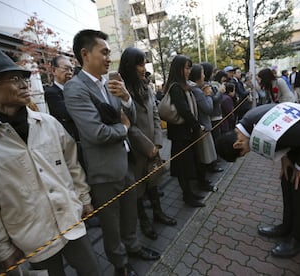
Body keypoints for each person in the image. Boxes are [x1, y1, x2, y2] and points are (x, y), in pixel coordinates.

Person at [0, 48, 101, 276]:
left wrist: (84, 199)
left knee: (93, 272)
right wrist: (2, 249)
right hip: (30, 241)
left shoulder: (49, 124)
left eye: (23, 77)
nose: (24, 84)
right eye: (13, 79)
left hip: (71, 222)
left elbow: (72, 166)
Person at [63, 30, 160, 276]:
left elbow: (131, 117)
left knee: (130, 215)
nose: (109, 58)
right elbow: (96, 133)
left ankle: (134, 247)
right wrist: (124, 126)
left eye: (109, 53)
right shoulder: (75, 89)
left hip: (125, 162)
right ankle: (120, 264)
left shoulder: (109, 84)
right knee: (111, 225)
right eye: (104, 52)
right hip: (104, 172)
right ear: (85, 54)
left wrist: (127, 99)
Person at [217, 102, 300, 258]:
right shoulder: (248, 122)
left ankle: (299, 239)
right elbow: (284, 135)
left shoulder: (261, 130)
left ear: (237, 144)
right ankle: (287, 226)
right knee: (287, 178)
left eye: (243, 153)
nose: (246, 153)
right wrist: (285, 158)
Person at [118, 47, 176, 241]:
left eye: (144, 63)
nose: (144, 68)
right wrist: (148, 147)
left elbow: (156, 115)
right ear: (129, 65)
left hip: (153, 146)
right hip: (136, 150)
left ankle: (158, 213)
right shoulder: (120, 91)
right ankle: (144, 221)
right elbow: (128, 125)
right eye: (140, 64)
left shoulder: (147, 87)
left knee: (154, 182)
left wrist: (158, 143)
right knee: (138, 190)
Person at [164, 55, 206, 207]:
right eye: (187, 68)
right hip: (180, 134)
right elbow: (184, 110)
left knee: (188, 165)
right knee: (183, 167)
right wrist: (197, 125)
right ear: (178, 69)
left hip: (185, 133)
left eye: (189, 67)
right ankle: (187, 196)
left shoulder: (182, 86)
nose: (189, 71)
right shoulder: (176, 87)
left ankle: (189, 194)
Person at [189, 63, 218, 192]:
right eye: (202, 73)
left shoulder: (193, 88)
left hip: (200, 127)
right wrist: (208, 95)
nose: (204, 75)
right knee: (203, 157)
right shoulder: (197, 91)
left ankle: (203, 181)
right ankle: (203, 182)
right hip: (203, 128)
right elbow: (208, 109)